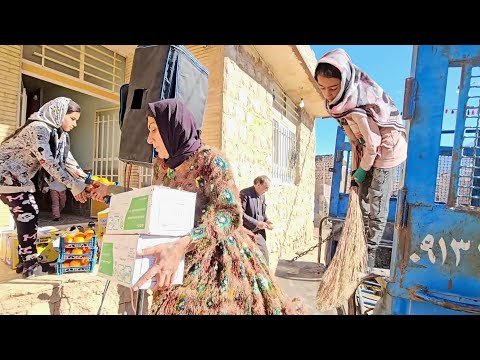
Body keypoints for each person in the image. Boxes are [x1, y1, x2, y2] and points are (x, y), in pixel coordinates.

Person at [132, 99, 302, 315]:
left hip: (216, 260)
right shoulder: (161, 168)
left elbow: (230, 214)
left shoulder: (211, 160)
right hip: (172, 259)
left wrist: (182, 246)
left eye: (154, 130)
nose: (149, 139)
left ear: (171, 128)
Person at [315, 48, 408, 269]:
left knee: (376, 199)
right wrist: (355, 175)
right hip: (368, 147)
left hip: (386, 148)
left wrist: (362, 170)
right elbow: (357, 144)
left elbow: (373, 145)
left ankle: (370, 253)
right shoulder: (338, 106)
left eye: (333, 88)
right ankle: (359, 243)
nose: (328, 94)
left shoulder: (357, 106)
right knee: (361, 196)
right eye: (322, 88)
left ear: (345, 81)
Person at [0, 97, 108, 277]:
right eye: (72, 119)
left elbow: (68, 163)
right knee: (28, 212)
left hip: (18, 179)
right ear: (59, 113)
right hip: (6, 175)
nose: (74, 124)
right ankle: (30, 263)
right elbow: (47, 161)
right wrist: (74, 186)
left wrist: (89, 182)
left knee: (27, 214)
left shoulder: (59, 135)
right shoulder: (39, 128)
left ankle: (26, 262)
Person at [240, 175, 273, 265]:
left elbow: (262, 213)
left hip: (259, 233)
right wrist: (256, 223)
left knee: (264, 258)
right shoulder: (244, 194)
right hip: (247, 231)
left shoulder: (262, 196)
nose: (267, 190)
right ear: (258, 184)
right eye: (266, 188)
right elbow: (240, 214)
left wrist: (266, 220)